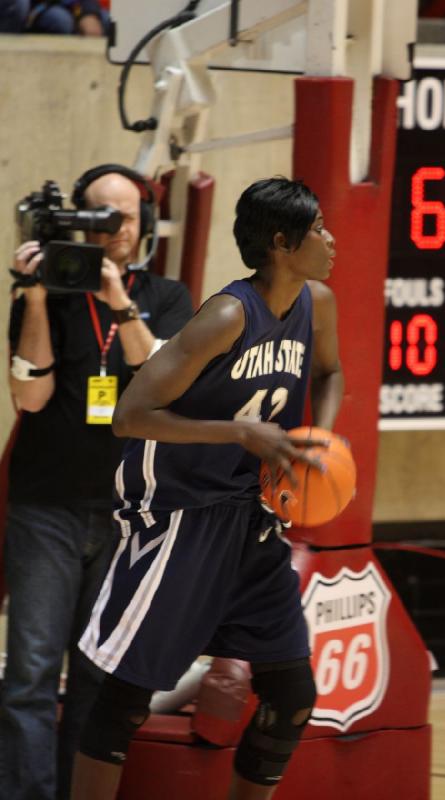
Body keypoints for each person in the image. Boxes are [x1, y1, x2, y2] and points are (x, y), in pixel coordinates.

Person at [69, 176, 343, 800]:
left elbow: (330, 372)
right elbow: (131, 415)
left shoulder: (317, 303)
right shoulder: (226, 314)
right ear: (282, 241)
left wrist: (316, 444)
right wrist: (240, 435)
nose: (331, 240)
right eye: (319, 228)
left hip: (252, 515)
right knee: (127, 699)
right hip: (180, 515)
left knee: (292, 693)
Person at [0, 164, 193, 800]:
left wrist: (120, 301)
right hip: (46, 508)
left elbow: (162, 377)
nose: (113, 230)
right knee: (29, 673)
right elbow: (30, 397)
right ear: (76, 222)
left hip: (125, 514)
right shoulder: (46, 293)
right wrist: (32, 296)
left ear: (144, 225)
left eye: (125, 218)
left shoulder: (167, 297)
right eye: (99, 217)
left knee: (95, 675)